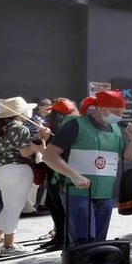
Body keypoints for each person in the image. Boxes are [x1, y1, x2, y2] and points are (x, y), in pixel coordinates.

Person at [42, 89, 132, 246]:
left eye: (122, 113)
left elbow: (126, 157)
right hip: (78, 194)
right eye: (116, 112)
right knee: (83, 244)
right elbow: (49, 156)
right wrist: (74, 175)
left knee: (98, 245)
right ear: (101, 108)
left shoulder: (115, 129)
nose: (120, 116)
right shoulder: (75, 124)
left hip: (105, 195)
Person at [0, 97, 49, 256]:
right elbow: (25, 152)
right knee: (14, 209)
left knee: (9, 207)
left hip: (0, 169)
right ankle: (8, 246)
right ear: (20, 112)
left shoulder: (0, 128)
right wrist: (41, 143)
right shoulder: (20, 128)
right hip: (18, 170)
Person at [38, 97, 78, 251]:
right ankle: (60, 236)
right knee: (52, 202)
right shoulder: (57, 126)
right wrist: (44, 139)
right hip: (54, 169)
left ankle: (64, 237)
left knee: (58, 204)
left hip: (61, 170)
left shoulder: (67, 125)